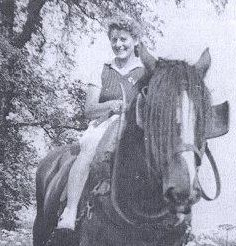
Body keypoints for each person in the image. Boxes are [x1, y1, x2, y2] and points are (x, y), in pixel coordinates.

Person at [56, 16, 147, 231]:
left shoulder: (145, 71)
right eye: (114, 40)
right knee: (88, 147)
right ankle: (70, 210)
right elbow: (89, 110)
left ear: (135, 40)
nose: (118, 44)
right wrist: (112, 105)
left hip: (133, 126)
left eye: (123, 39)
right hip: (105, 124)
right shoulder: (103, 70)